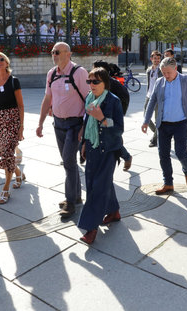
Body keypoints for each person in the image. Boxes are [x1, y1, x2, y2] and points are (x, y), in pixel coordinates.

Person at [36, 42, 89, 217]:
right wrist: (41, 122)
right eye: (52, 52)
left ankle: (70, 202)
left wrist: (84, 126)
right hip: (58, 124)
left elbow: (89, 100)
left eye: (57, 52)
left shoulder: (79, 73)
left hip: (75, 124)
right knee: (69, 163)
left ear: (68, 54)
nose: (54, 54)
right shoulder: (52, 73)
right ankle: (78, 196)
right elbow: (47, 98)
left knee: (68, 161)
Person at [141, 57, 187, 194]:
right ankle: (168, 183)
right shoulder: (159, 82)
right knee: (163, 155)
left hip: (180, 124)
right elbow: (152, 102)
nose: (166, 75)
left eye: (168, 72)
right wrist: (146, 120)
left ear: (175, 69)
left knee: (181, 153)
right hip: (163, 125)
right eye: (163, 72)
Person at [78, 67, 124, 244]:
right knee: (96, 184)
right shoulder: (89, 98)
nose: (92, 85)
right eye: (89, 81)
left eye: (95, 81)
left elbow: (119, 128)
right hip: (92, 147)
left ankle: (90, 228)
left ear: (105, 83)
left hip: (109, 150)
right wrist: (83, 143)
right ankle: (114, 212)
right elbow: (87, 121)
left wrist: (103, 119)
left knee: (96, 188)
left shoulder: (113, 101)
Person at [0, 52, 25, 204]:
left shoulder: (14, 81)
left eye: (2, 59)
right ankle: (18, 173)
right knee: (4, 153)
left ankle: (6, 189)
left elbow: (20, 105)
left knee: (7, 153)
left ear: (7, 62)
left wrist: (21, 127)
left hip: (12, 120)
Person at [93, 60, 132, 170]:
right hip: (105, 114)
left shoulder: (109, 83)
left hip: (114, 112)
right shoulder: (99, 82)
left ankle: (127, 157)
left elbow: (120, 100)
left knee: (112, 137)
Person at [144, 51, 162, 147]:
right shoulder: (149, 70)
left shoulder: (162, 70)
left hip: (158, 98)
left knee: (157, 119)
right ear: (151, 59)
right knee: (145, 116)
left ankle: (155, 140)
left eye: (158, 58)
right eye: (155, 58)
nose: (157, 60)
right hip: (149, 95)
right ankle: (158, 133)